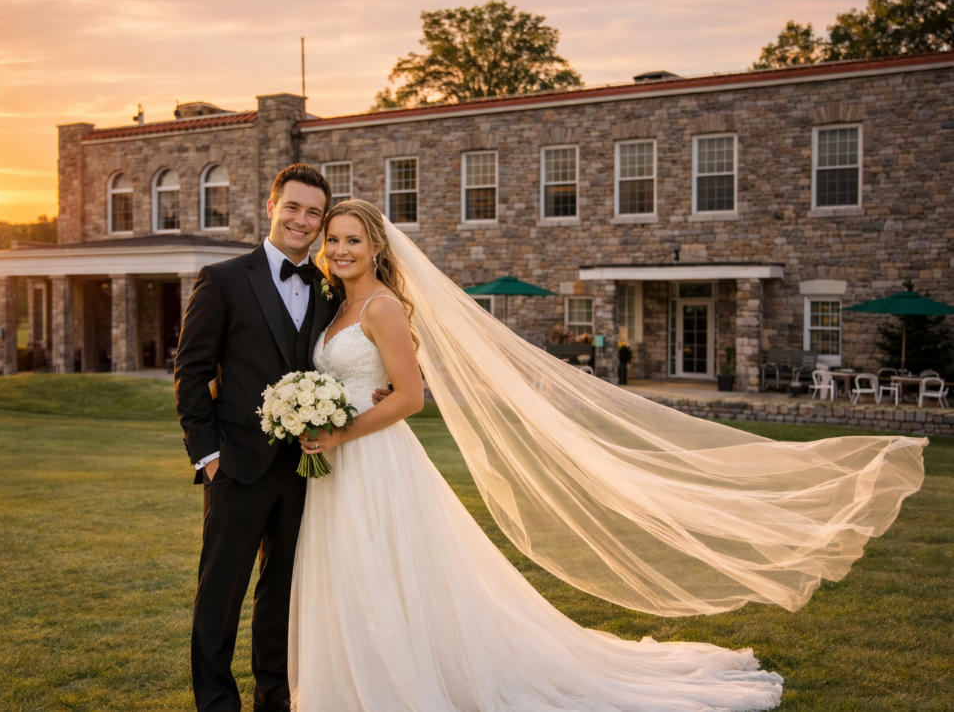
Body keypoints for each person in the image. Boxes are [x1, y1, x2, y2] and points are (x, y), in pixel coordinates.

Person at [287, 199, 926, 712]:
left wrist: (340, 431)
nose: (340, 249)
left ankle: (395, 684)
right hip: (338, 462)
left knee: (384, 565)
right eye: (332, 240)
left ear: (376, 247)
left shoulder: (382, 305)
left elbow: (412, 397)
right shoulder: (334, 305)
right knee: (353, 567)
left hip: (371, 458)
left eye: (352, 239)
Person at [174, 165, 390, 712]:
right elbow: (191, 371)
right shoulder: (222, 278)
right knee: (220, 595)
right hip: (237, 467)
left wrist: (379, 390)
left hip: (306, 470)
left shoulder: (329, 287)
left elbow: (355, 352)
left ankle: (274, 696)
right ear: (271, 206)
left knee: (284, 595)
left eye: (314, 212)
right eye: (293, 207)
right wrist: (209, 456)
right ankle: (216, 703)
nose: (303, 220)